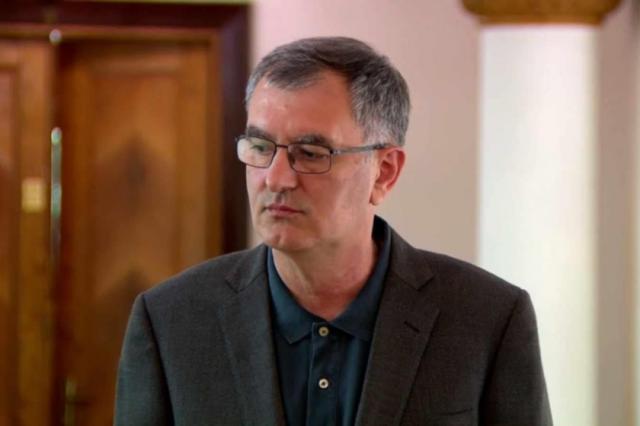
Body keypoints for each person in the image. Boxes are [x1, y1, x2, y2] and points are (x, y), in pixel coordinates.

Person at [115, 36, 552, 426]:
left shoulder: (488, 319)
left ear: (384, 171)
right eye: (261, 147)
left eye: (310, 152)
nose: (276, 178)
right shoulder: (171, 322)